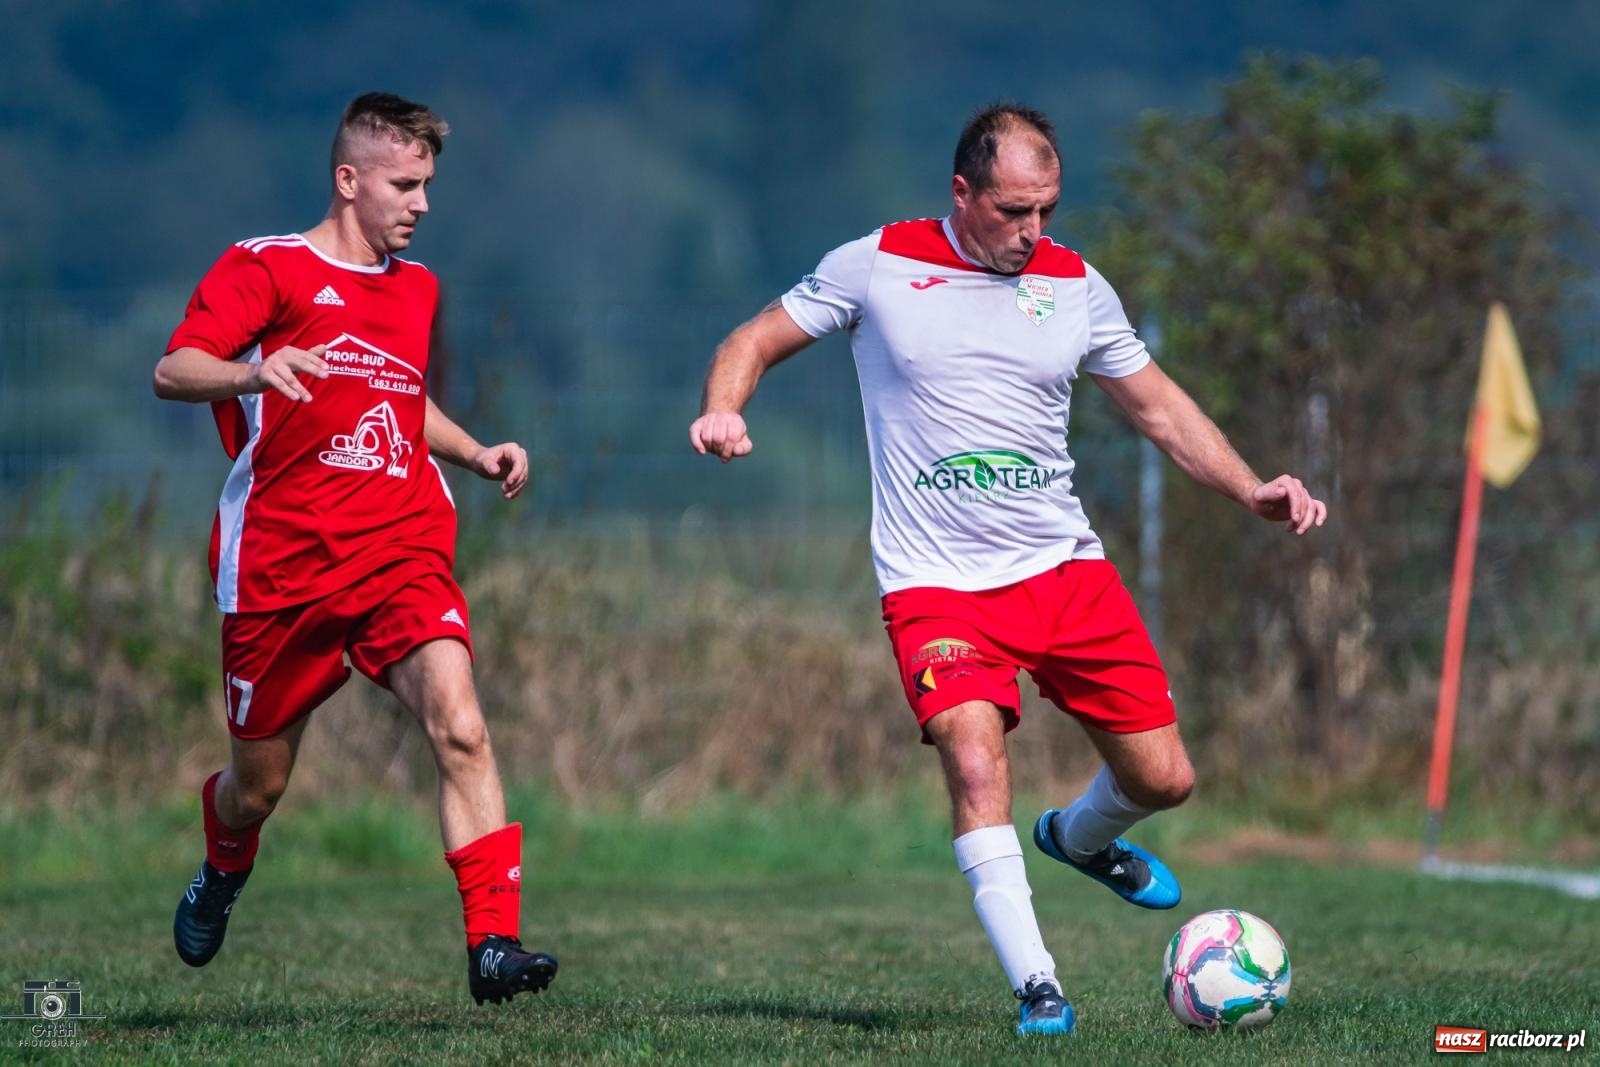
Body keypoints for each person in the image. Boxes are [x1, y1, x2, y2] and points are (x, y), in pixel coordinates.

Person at [689, 103, 1326, 1036]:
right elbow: (750, 340)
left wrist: (1249, 488)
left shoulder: (1074, 284)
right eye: (1014, 211)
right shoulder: (878, 263)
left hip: (1063, 572)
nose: (1035, 232)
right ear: (962, 193)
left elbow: (1158, 409)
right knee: (977, 759)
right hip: (936, 584)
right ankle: (1040, 989)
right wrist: (723, 408)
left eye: (1048, 209)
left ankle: (1076, 837)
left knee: (1164, 780)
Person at [153, 92, 557, 1005]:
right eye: (405, 184)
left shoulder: (417, 288)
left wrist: (474, 448)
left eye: (428, 185)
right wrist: (256, 368)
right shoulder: (269, 269)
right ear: (349, 180)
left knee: (461, 721)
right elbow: (174, 368)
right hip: (281, 569)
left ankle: (492, 943)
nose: (421, 203)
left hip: (399, 548)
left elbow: (403, 399)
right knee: (257, 788)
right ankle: (223, 865)